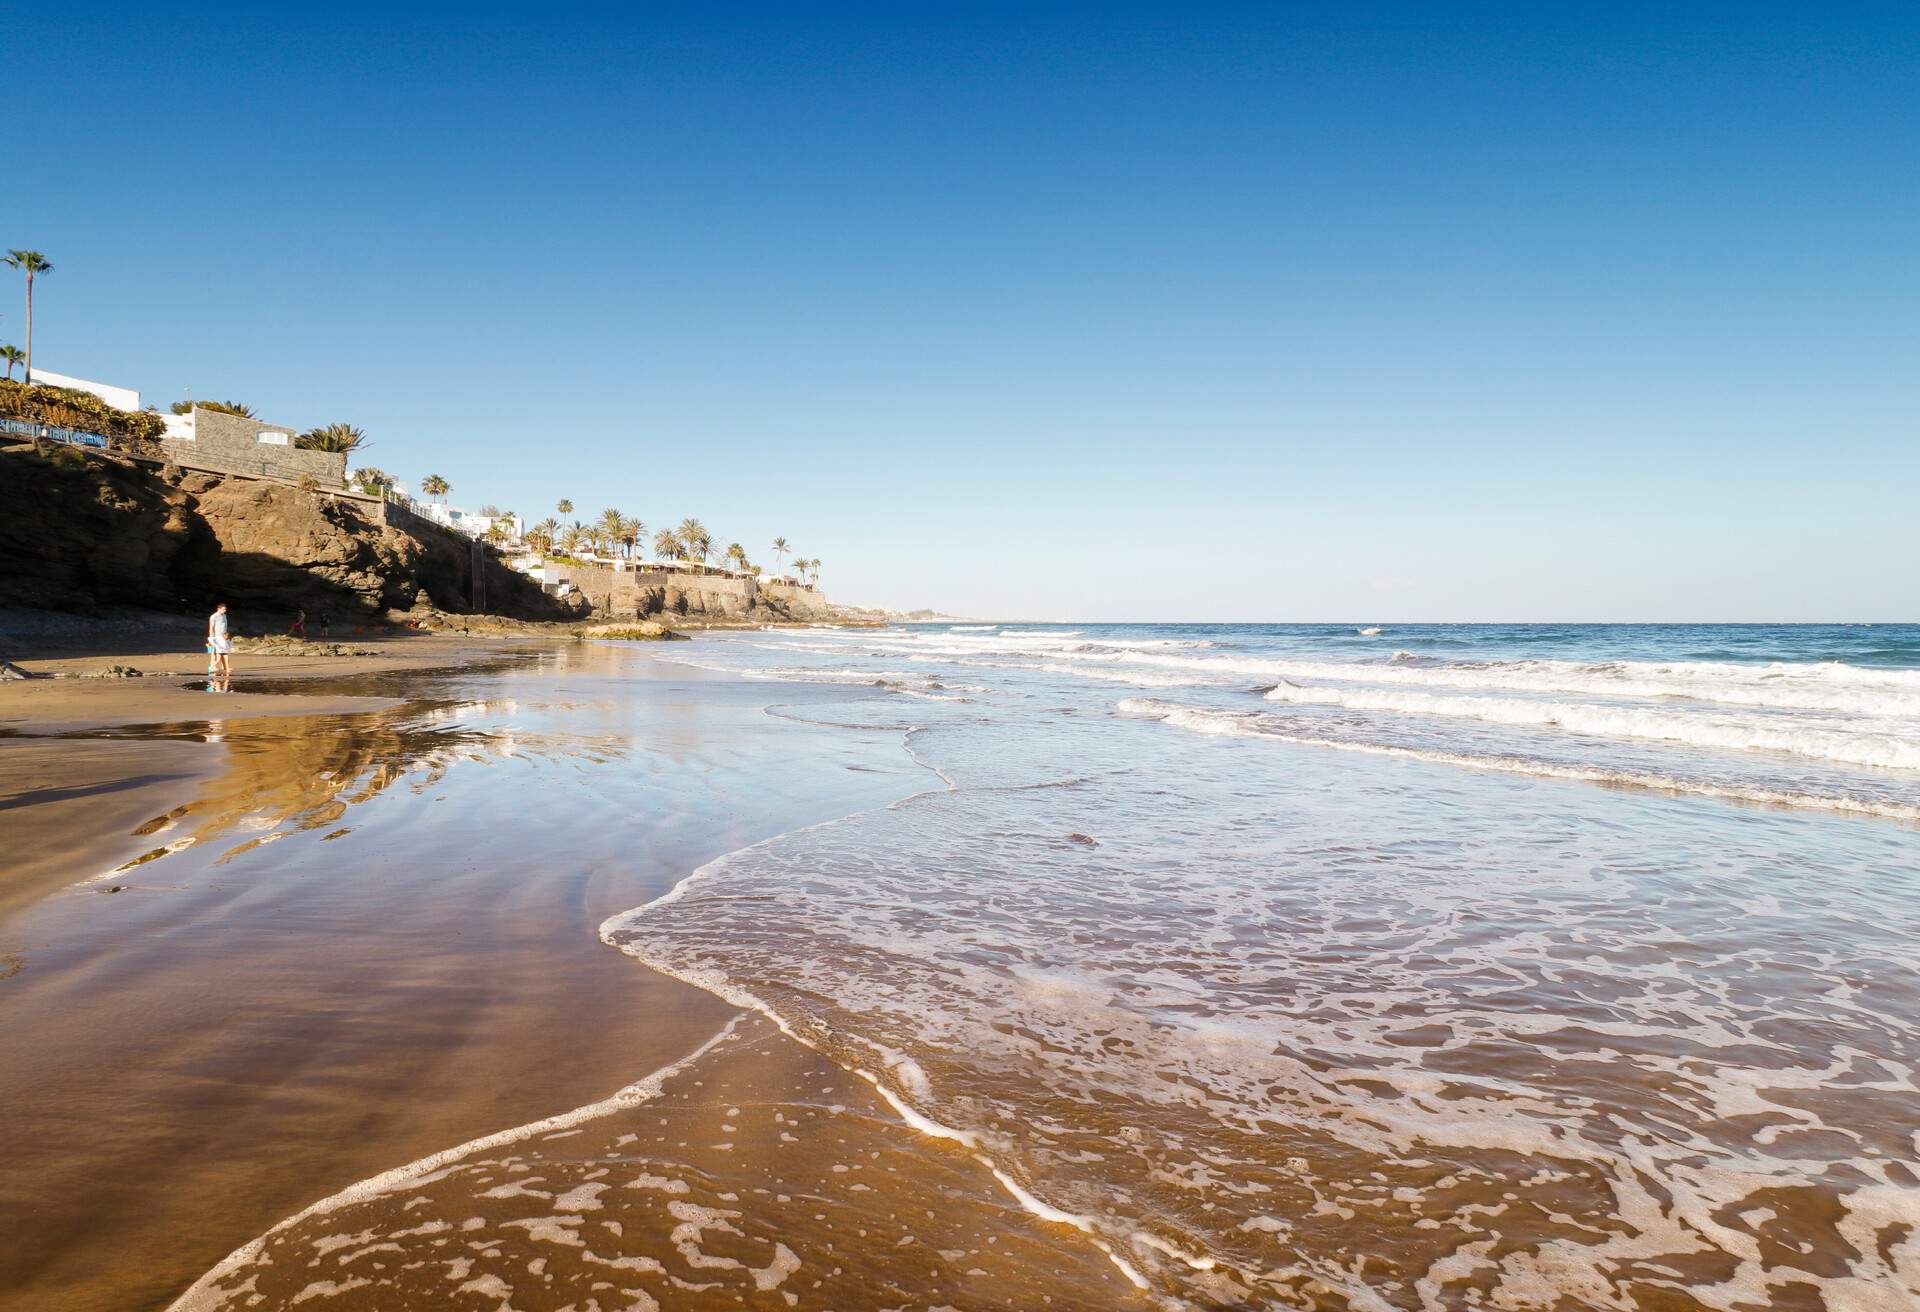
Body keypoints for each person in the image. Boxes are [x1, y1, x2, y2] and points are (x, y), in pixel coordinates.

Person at [208, 602, 233, 682]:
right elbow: (211, 627)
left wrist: (226, 636)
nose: (225, 611)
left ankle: (224, 667)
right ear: (218, 609)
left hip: (224, 637)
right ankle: (212, 666)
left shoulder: (224, 615)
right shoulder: (214, 616)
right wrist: (211, 638)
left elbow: (224, 626)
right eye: (223, 609)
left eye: (225, 609)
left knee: (224, 651)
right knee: (214, 652)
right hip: (216, 636)